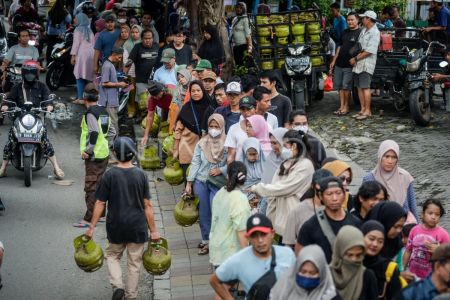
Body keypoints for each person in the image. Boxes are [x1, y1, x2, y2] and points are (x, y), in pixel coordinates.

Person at [84, 137, 161, 300]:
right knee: (134, 264)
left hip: (116, 226)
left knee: (112, 256)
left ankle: (117, 285)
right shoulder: (141, 175)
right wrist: (153, 230)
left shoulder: (109, 175)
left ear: (115, 154)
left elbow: (100, 203)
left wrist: (91, 227)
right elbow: (147, 205)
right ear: (133, 154)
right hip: (137, 227)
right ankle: (130, 296)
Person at [0, 60, 64, 179]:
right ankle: (3, 168)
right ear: (23, 73)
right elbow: (10, 100)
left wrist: (49, 106)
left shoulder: (42, 87)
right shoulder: (17, 87)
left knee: (45, 140)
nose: (29, 75)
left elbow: (47, 100)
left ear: (37, 73)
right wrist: (5, 106)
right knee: (10, 140)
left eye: (32, 72)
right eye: (27, 72)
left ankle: (56, 167)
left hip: (37, 118)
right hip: (20, 117)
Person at [248, 130, 315, 241]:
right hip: (281, 222)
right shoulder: (285, 164)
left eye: (284, 145)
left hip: (297, 221)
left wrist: (258, 188)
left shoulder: (305, 165)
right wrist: (271, 217)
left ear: (294, 145)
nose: (281, 148)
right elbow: (274, 192)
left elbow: (284, 188)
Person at [209, 214, 296, 298]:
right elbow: (214, 281)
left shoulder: (287, 254)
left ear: (272, 233)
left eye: (264, 234)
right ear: (247, 238)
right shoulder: (239, 259)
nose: (260, 240)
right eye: (254, 236)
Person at [185, 114, 228, 255]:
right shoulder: (201, 143)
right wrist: (189, 183)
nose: (214, 129)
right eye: (211, 126)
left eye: (217, 127)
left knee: (216, 212)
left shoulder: (228, 143)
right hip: (201, 181)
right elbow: (195, 162)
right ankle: (206, 241)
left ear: (222, 127)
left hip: (218, 183)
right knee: (203, 213)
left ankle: (216, 240)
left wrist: (220, 170)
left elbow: (232, 162)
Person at [74, 83, 116, 228]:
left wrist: (88, 150)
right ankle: (101, 215)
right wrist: (106, 144)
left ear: (84, 97)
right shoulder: (103, 111)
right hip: (103, 154)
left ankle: (89, 218)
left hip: (93, 156)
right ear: (98, 97)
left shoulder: (90, 113)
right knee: (100, 185)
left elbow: (94, 132)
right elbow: (112, 132)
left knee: (91, 186)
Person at [295, 176, 363, 262]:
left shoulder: (356, 223)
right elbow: (299, 257)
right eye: (329, 194)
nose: (334, 198)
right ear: (321, 196)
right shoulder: (310, 226)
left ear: (344, 195)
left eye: (338, 193)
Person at [209, 160, 250, 297]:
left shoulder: (221, 192)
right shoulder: (240, 199)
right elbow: (241, 230)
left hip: (218, 246)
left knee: (222, 285)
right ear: (245, 177)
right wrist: (248, 254)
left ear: (227, 176)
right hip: (230, 251)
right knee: (224, 286)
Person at [363, 140, 419, 222]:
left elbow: (412, 205)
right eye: (386, 156)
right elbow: (365, 207)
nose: (390, 161)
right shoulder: (370, 179)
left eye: (394, 157)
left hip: (403, 227)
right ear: (380, 156)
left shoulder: (405, 177)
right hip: (379, 224)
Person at [270, 244, 341, 299]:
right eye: (303, 272)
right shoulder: (281, 291)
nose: (307, 276)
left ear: (322, 273)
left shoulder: (331, 296)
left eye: (312, 273)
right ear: (296, 270)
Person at [283, 169, 332, 247]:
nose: (324, 187)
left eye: (327, 184)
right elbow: (288, 244)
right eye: (321, 184)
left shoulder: (336, 210)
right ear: (313, 186)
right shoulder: (298, 210)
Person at [173, 81, 211, 184]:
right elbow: (178, 130)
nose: (195, 93)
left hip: (205, 150)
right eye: (193, 91)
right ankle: (188, 197)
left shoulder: (210, 107)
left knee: (202, 181)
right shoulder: (186, 108)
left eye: (198, 90)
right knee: (188, 179)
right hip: (187, 149)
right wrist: (176, 150)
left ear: (203, 91)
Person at [403, 199, 450, 280]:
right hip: (413, 275)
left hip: (432, 278)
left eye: (437, 214)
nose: (433, 217)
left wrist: (439, 249)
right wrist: (402, 270)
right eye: (430, 213)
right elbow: (408, 251)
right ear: (422, 214)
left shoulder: (443, 234)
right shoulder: (414, 230)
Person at [330, 225, 379, 300]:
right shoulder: (327, 275)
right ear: (340, 252)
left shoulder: (367, 276)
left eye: (359, 255)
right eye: (349, 255)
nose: (354, 259)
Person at [365, 201, 410, 282]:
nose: (399, 231)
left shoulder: (396, 245)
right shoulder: (365, 243)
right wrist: (398, 275)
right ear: (385, 222)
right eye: (396, 226)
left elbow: (399, 268)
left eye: (401, 227)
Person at [362, 220, 404, 300]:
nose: (375, 244)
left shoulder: (389, 268)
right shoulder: (352, 263)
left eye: (380, 241)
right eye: (371, 239)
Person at [351, 10, 380, 121]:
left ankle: (367, 111)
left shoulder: (375, 32)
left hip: (366, 63)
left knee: (365, 87)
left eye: (364, 18)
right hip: (359, 62)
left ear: (369, 19)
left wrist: (355, 58)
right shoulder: (364, 30)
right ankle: (362, 110)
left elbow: (370, 51)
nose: (362, 19)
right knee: (359, 87)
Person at [330, 12, 361, 116]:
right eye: (348, 20)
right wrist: (334, 61)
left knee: (346, 87)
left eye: (352, 20)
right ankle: (341, 106)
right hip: (339, 63)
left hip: (350, 65)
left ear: (357, 20)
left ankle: (346, 107)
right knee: (339, 87)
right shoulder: (344, 32)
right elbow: (339, 47)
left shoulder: (360, 33)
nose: (350, 22)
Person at [125, 29, 159, 121]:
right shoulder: (137, 47)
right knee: (140, 99)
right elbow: (130, 61)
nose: (148, 40)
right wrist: (124, 74)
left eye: (150, 38)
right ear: (141, 39)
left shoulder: (157, 46)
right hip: (141, 79)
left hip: (155, 80)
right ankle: (139, 116)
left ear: (153, 38)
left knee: (154, 99)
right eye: (145, 38)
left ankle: (152, 118)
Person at [258, 128, 289, 215]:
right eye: (271, 143)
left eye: (275, 143)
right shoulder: (271, 158)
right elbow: (266, 181)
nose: (272, 147)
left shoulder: (292, 161)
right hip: (268, 200)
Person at [99, 45, 128, 136]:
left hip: (111, 98)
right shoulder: (107, 66)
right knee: (113, 121)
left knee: (111, 121)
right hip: (108, 100)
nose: (120, 60)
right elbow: (104, 83)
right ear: (114, 54)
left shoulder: (110, 65)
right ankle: (114, 142)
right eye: (119, 57)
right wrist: (119, 84)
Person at [1, 28, 39, 96]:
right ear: (19, 38)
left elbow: (36, 62)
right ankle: (5, 104)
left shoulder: (34, 49)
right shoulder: (13, 48)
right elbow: (6, 61)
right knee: (5, 87)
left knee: (36, 91)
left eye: (27, 36)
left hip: (29, 73)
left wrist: (38, 67)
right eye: (23, 36)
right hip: (14, 72)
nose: (25, 38)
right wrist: (4, 66)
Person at [71, 13, 96, 105]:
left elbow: (76, 44)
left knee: (79, 75)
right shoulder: (90, 30)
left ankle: (81, 98)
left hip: (82, 54)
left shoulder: (77, 30)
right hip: (91, 54)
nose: (75, 21)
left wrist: (73, 56)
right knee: (88, 76)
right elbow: (94, 44)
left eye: (76, 19)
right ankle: (90, 97)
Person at [141, 81, 176, 146]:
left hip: (177, 110)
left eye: (156, 96)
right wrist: (146, 135)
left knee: (174, 131)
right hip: (165, 110)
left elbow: (179, 106)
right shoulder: (152, 97)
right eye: (153, 96)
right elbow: (150, 116)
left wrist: (170, 117)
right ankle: (162, 152)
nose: (155, 98)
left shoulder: (171, 93)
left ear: (162, 91)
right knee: (163, 130)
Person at [224, 95, 257, 163]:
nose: (246, 112)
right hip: (240, 169)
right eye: (243, 109)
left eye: (249, 109)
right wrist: (230, 173)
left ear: (256, 109)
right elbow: (231, 154)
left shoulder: (266, 127)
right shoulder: (234, 128)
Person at [238, 138, 266, 209]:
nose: (252, 157)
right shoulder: (239, 164)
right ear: (245, 153)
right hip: (244, 200)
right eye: (250, 154)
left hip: (262, 199)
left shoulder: (266, 161)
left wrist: (259, 198)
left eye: (255, 154)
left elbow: (269, 182)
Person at [46, 0, 71, 66]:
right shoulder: (65, 12)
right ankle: (58, 62)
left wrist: (46, 31)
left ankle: (49, 61)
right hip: (60, 33)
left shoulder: (51, 11)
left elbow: (47, 22)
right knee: (60, 48)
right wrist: (67, 12)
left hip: (50, 32)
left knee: (50, 47)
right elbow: (69, 20)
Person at [229, 2, 251, 67]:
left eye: (240, 8)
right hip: (235, 45)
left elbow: (248, 33)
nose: (238, 9)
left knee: (243, 64)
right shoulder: (235, 19)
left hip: (243, 46)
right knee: (237, 64)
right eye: (237, 7)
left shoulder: (245, 19)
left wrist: (249, 46)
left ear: (244, 9)